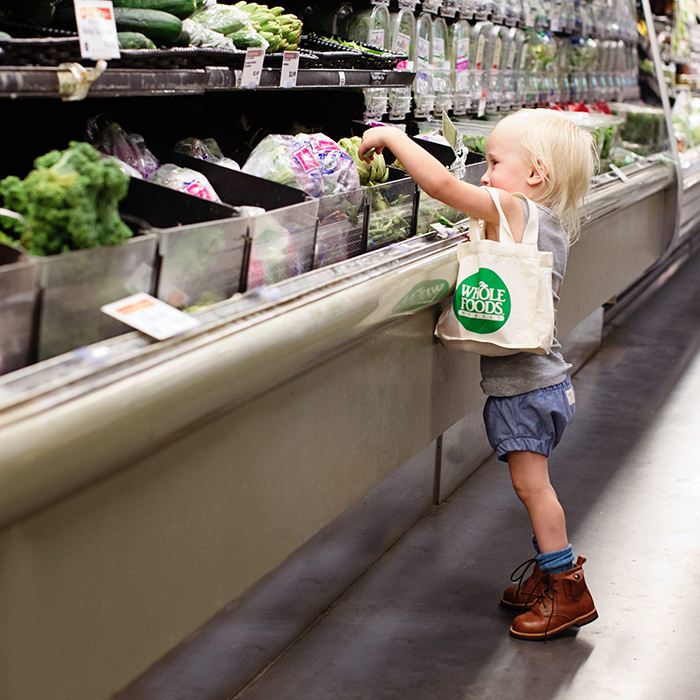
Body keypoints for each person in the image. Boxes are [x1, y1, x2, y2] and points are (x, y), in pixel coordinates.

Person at [359, 109, 598, 641]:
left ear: (534, 174)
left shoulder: (514, 208)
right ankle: (547, 573)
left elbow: (444, 185)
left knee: (533, 488)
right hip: (544, 384)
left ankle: (566, 590)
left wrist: (394, 138)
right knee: (533, 487)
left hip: (527, 389)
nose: (484, 175)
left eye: (493, 162)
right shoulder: (547, 224)